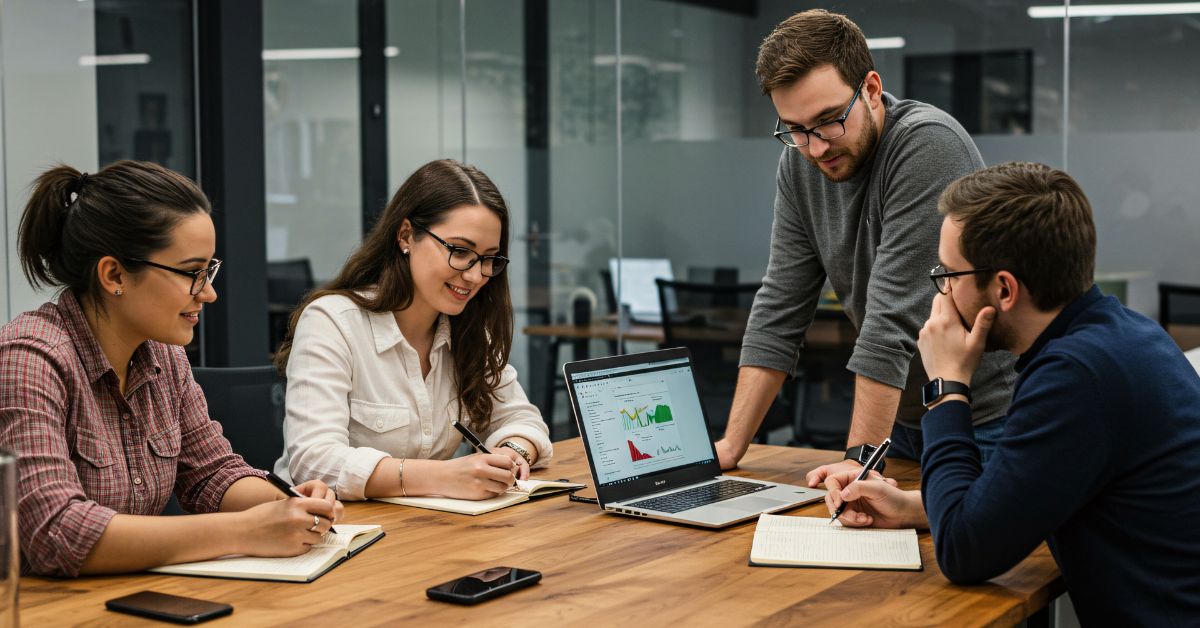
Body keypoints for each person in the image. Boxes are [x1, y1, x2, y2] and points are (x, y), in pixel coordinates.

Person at [823, 162, 1200, 623]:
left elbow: (965, 554)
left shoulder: (1075, 375)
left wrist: (947, 386)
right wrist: (909, 509)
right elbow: (1020, 496)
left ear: (1004, 289)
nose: (939, 296)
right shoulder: (1123, 335)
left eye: (949, 275)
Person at [714, 9, 1016, 485]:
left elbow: (891, 318)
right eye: (794, 128)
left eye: (829, 120)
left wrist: (859, 461)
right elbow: (780, 305)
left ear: (872, 90)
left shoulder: (926, 146)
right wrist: (733, 446)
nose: (815, 148)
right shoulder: (800, 166)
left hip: (986, 421)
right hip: (900, 419)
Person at [0, 161, 344, 577]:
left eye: (209, 271)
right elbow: (55, 530)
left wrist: (283, 504)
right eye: (191, 273)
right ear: (114, 275)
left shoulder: (163, 356)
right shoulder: (29, 360)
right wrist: (245, 530)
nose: (210, 293)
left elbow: (211, 474)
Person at [274, 159, 551, 502]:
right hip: (336, 534)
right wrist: (446, 476)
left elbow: (520, 418)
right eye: (460, 251)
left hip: (429, 531)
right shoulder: (333, 322)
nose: (476, 275)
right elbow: (314, 463)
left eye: (488, 258)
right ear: (406, 235)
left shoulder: (469, 329)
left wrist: (512, 454)